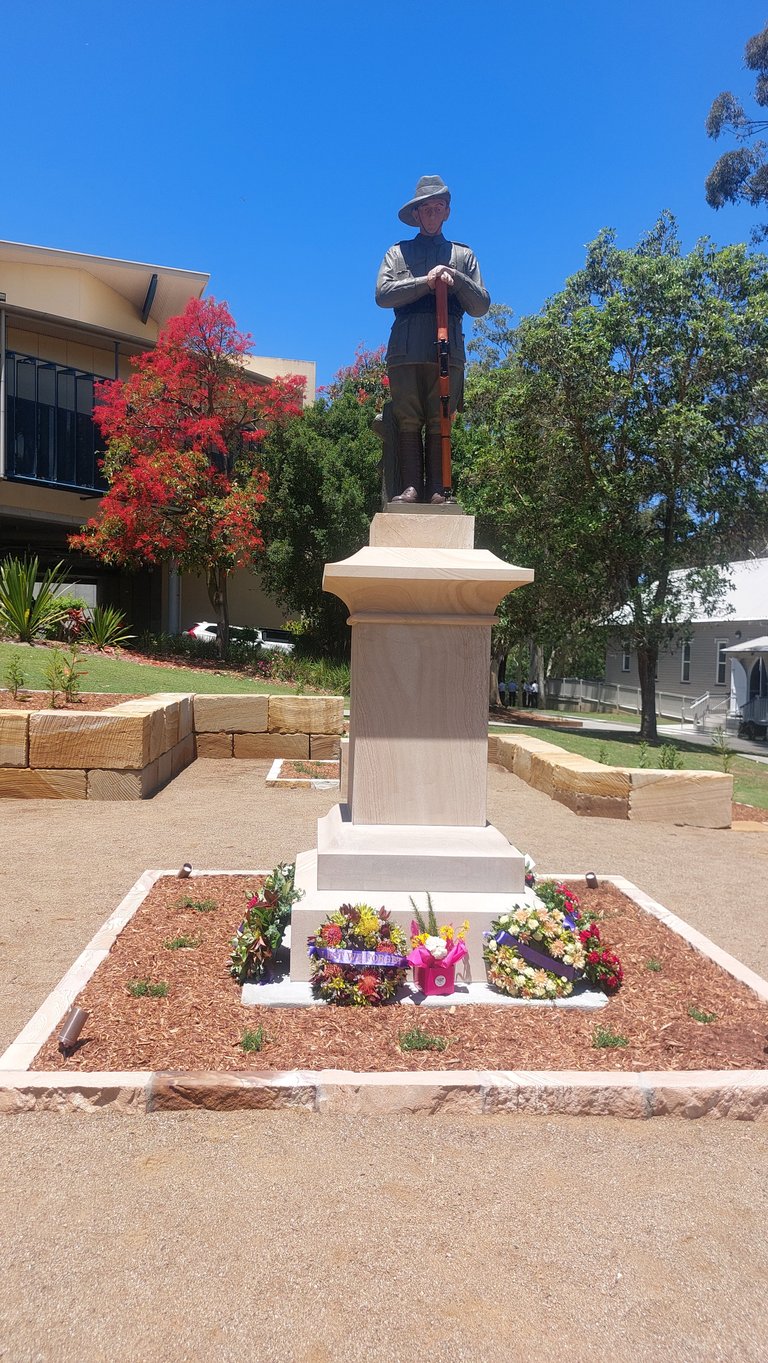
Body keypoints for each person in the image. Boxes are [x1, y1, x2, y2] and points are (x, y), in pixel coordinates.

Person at [375, 175, 490, 504]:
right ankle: (411, 487)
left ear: (447, 213)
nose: (431, 214)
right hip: (406, 349)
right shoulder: (398, 254)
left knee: (441, 417)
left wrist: (455, 279)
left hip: (447, 349)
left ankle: (439, 489)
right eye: (425, 208)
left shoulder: (463, 256)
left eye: (438, 208)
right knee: (409, 417)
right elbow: (383, 294)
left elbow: (481, 305)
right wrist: (427, 280)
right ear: (415, 214)